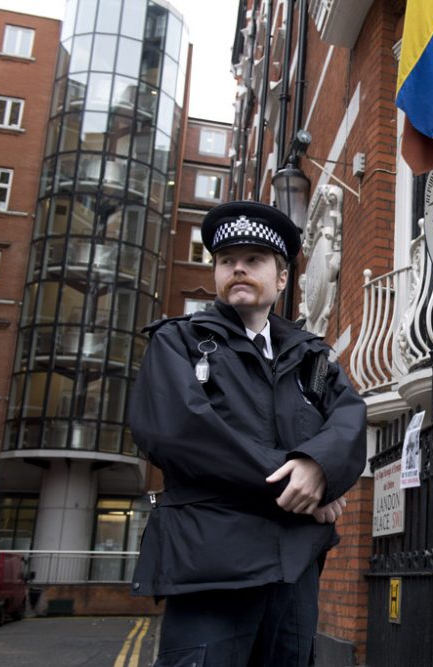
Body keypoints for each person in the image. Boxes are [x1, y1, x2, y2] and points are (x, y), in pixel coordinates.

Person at [128, 200, 367, 666]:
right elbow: (177, 432)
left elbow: (349, 420)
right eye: (226, 261)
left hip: (293, 569)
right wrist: (303, 485)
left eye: (253, 260)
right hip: (212, 565)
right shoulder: (177, 341)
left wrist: (320, 467)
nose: (237, 268)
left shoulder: (312, 358)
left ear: (282, 279)